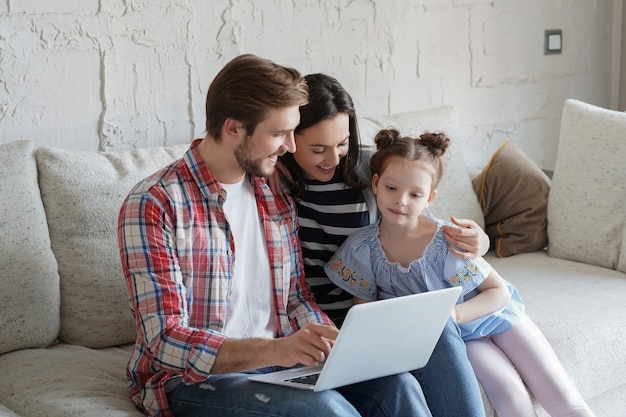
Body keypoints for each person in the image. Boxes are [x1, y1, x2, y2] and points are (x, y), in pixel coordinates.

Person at [118, 54, 435, 417]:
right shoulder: (155, 203)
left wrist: (328, 340)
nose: (290, 146)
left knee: (398, 385)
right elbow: (164, 340)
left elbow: (295, 296)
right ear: (234, 127)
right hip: (195, 380)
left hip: (281, 368)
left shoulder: (273, 190)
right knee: (326, 409)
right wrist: (278, 350)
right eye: (279, 134)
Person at [324, 128, 597, 417]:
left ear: (429, 198)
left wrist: (452, 316)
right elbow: (366, 319)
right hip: (460, 341)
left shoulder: (448, 240)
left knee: (561, 397)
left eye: (414, 193)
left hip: (496, 317)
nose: (401, 200)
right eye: (392, 188)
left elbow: (498, 292)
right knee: (510, 397)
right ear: (376, 184)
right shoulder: (361, 250)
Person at [271, 73, 488, 416]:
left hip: (375, 315)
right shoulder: (273, 181)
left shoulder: (367, 167)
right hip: (317, 324)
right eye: (317, 149)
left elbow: (419, 212)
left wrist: (481, 240)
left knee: (440, 327)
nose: (332, 158)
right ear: (290, 138)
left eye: (341, 143)